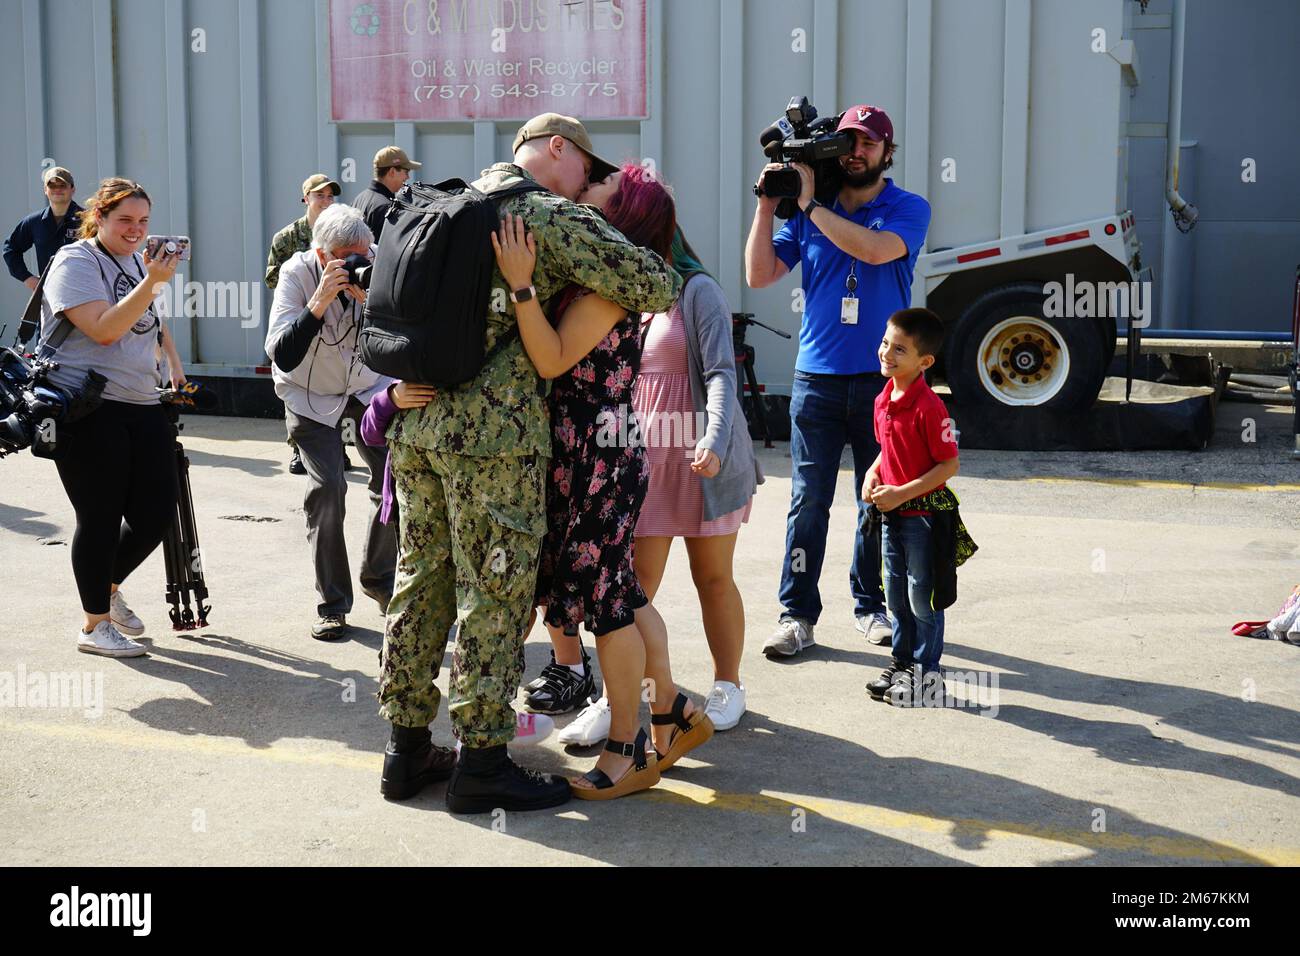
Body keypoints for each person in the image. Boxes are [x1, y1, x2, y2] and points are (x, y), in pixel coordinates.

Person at [376, 113, 680, 812]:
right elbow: (656, 281)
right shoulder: (538, 215)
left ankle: (406, 748)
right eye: (586, 168)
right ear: (557, 151)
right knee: (494, 594)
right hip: (494, 438)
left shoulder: (441, 203)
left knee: (419, 583)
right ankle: (482, 762)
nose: (588, 185)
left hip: (417, 424)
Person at [494, 163, 714, 801]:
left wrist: (521, 287)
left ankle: (627, 748)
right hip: (588, 454)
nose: (585, 191)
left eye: (599, 191)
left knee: (609, 607)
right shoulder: (602, 272)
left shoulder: (615, 284)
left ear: (622, 215)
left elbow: (554, 356)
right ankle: (672, 712)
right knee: (621, 592)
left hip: (599, 459)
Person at [555, 227, 763, 747]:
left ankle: (727, 683)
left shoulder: (699, 291)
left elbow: (719, 373)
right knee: (629, 591)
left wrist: (714, 438)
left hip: (702, 464)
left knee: (712, 578)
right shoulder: (628, 293)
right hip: (644, 467)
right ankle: (618, 699)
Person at [745, 104, 931, 658]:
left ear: (887, 153)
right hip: (817, 379)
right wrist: (765, 208)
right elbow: (757, 275)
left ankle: (869, 605)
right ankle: (796, 613)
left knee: (875, 499)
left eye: (869, 144)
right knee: (808, 501)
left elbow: (873, 251)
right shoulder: (807, 212)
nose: (857, 151)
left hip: (884, 384)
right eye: (849, 142)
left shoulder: (908, 207)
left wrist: (807, 205)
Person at [38, 177, 186, 658]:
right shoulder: (75, 261)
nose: (135, 230)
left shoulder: (135, 262)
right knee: (99, 517)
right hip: (87, 406)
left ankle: (105, 587)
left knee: (155, 514)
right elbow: (103, 330)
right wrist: (151, 282)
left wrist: (173, 363)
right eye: (124, 220)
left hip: (141, 402)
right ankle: (93, 626)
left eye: (143, 222)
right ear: (98, 217)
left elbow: (145, 324)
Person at [264, 204, 396, 642]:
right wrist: (319, 302)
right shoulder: (296, 274)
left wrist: (377, 303)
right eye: (348, 258)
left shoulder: (380, 261)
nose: (360, 264)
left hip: (366, 388)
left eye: (365, 254)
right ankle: (333, 604)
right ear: (323, 256)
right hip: (309, 394)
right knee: (328, 490)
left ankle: (380, 581)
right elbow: (281, 352)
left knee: (395, 483)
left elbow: (404, 334)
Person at [861, 308, 971, 706]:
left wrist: (901, 493)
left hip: (924, 519)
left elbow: (949, 464)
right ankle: (903, 663)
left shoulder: (929, 408)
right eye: (885, 343)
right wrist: (873, 474)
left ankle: (928, 676)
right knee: (895, 594)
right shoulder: (883, 398)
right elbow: (886, 450)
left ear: (924, 362)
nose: (886, 354)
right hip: (892, 515)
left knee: (923, 597)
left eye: (899, 350)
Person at [266, 173, 342, 476]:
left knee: (335, 380)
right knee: (296, 378)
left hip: (335, 318)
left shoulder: (338, 233)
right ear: (305, 199)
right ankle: (298, 448)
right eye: (319, 196)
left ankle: (333, 447)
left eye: (329, 196)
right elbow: (271, 276)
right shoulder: (287, 237)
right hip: (300, 316)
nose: (325, 201)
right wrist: (302, 279)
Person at [5, 166, 83, 294]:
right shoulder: (34, 222)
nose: (57, 189)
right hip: (49, 295)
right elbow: (11, 249)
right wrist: (27, 278)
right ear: (45, 190)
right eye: (52, 186)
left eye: (62, 185)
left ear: (72, 189)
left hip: (85, 294)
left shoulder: (88, 220)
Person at [352, 146, 420, 242]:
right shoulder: (386, 207)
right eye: (406, 171)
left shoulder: (360, 198)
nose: (407, 177)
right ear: (392, 172)